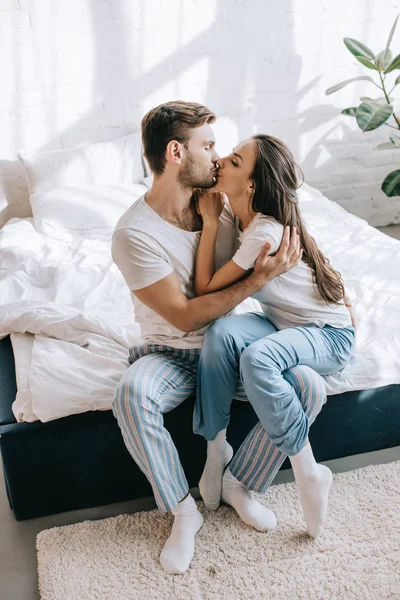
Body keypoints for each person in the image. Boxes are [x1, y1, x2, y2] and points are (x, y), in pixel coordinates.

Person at [111, 101, 326, 575]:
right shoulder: (134, 234)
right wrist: (253, 282)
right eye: (207, 146)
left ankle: (242, 484)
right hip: (171, 354)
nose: (216, 155)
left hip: (231, 346)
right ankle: (182, 511)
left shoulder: (224, 204)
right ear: (174, 153)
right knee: (130, 394)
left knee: (310, 385)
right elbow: (185, 317)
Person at [192, 134, 356, 540]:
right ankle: (217, 451)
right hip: (286, 326)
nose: (221, 162)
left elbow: (206, 290)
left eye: (233, 161)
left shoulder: (262, 231)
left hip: (328, 335)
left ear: (251, 183)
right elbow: (220, 309)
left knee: (257, 359)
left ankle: (308, 470)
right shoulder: (244, 216)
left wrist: (210, 223)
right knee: (222, 332)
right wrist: (219, 216)